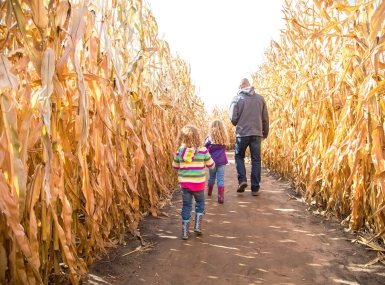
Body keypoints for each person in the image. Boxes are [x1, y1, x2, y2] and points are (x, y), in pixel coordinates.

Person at [172, 125, 215, 240]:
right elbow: (211, 165)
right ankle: (197, 226)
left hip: (185, 185)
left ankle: (185, 232)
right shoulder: (203, 150)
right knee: (200, 203)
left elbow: (175, 167)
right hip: (198, 184)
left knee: (186, 206)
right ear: (197, 136)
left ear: (182, 138)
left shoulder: (179, 152)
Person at [228, 78, 269, 196]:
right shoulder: (260, 99)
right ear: (249, 85)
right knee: (256, 160)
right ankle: (255, 188)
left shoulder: (236, 99)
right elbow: (265, 118)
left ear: (241, 86)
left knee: (239, 156)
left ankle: (242, 180)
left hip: (242, 133)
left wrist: (238, 123)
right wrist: (265, 133)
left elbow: (233, 118)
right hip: (256, 133)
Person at [204, 120, 229, 203]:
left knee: (211, 177)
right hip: (222, 162)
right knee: (220, 178)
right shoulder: (223, 138)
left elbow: (204, 147)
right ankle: (220, 197)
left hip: (212, 162)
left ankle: (209, 191)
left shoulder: (208, 139)